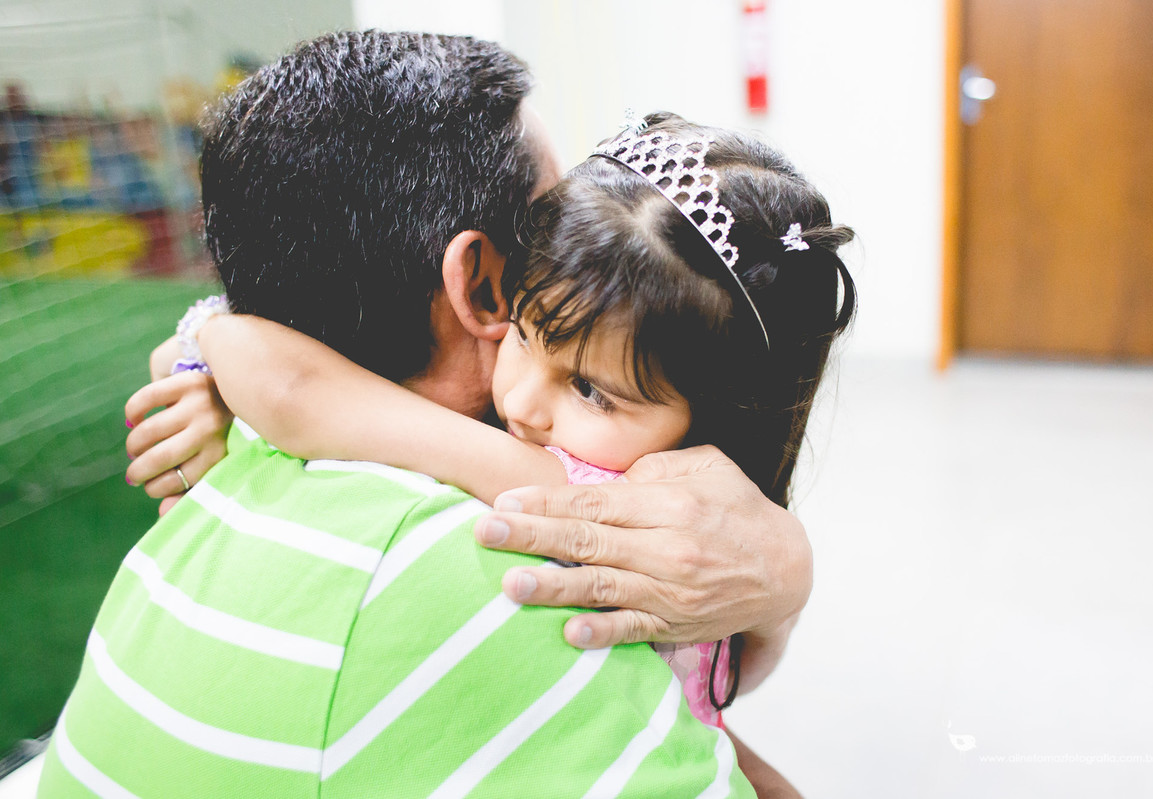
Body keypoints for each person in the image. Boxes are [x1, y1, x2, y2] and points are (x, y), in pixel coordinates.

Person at [35, 31, 796, 798]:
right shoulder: (503, 567)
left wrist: (206, 342)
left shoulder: (251, 453)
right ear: (487, 285)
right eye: (548, 240)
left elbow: (292, 388)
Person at [164, 112, 856, 730]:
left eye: (590, 391)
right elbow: (737, 679)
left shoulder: (577, 491)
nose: (522, 404)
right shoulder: (721, 527)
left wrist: (208, 337)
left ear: (717, 416)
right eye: (524, 334)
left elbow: (291, 389)